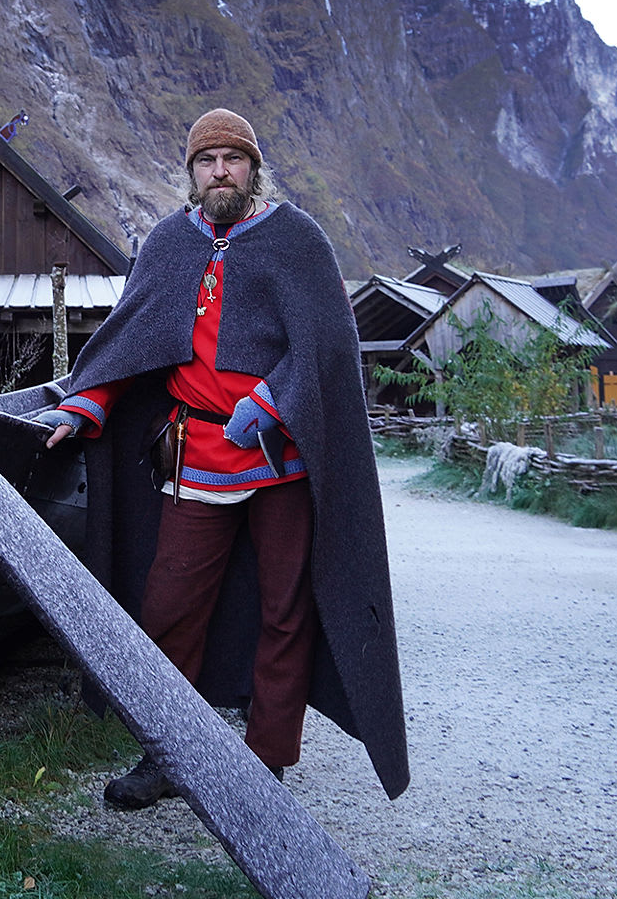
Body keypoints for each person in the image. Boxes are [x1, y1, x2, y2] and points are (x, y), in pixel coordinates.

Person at [35, 108, 408, 809]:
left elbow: (327, 346)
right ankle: (169, 754)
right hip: (196, 454)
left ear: (252, 167)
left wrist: (270, 401)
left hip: (281, 456)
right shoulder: (170, 242)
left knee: (286, 610)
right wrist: (85, 403)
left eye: (232, 159)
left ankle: (265, 762)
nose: (220, 172)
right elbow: (133, 336)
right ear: (191, 174)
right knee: (170, 602)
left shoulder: (298, 240)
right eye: (207, 162)